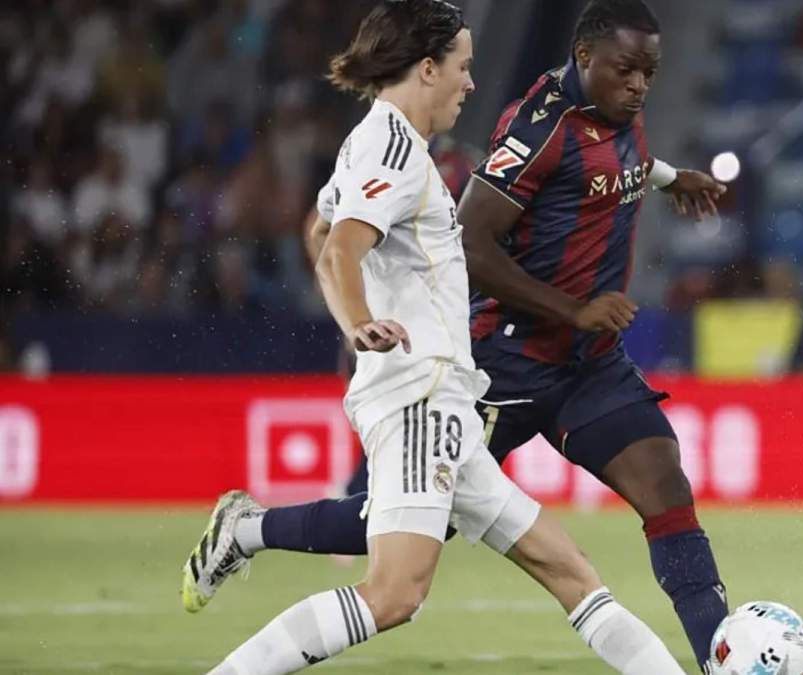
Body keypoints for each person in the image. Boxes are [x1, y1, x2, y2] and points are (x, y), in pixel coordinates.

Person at [188, 0, 730, 669]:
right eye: (464, 68)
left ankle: (714, 659)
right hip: (448, 387)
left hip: (470, 393)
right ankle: (246, 547)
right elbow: (341, 252)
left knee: (576, 572)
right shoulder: (422, 147)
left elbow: (321, 227)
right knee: (393, 587)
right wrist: (360, 321)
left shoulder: (389, 144)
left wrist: (673, 180)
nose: (473, 83)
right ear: (427, 69)